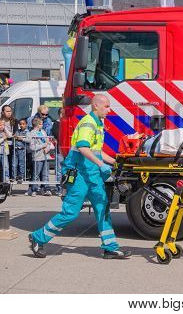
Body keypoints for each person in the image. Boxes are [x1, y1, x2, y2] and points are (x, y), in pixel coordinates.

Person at [28, 94, 131, 260]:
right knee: (70, 213)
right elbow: (83, 148)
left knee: (102, 208)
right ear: (96, 106)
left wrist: (114, 162)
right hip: (79, 174)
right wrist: (101, 165)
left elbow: (96, 150)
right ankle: (38, 237)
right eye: (106, 106)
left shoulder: (98, 123)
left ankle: (110, 247)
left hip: (92, 174)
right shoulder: (88, 123)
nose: (109, 109)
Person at [27, 118, 52, 197]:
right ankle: (34, 189)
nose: (42, 125)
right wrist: (43, 146)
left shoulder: (43, 132)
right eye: (41, 124)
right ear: (37, 125)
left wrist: (47, 148)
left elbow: (48, 142)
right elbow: (32, 147)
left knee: (45, 174)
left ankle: (46, 188)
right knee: (36, 174)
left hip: (45, 155)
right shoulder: (31, 133)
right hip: (37, 156)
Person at [1, 105, 18, 178]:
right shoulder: (1, 121)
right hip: (2, 143)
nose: (9, 113)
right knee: (3, 163)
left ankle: (10, 177)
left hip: (11, 143)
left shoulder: (14, 121)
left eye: (10, 111)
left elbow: (14, 133)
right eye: (7, 111)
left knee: (11, 161)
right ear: (2, 112)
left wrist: (12, 135)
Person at [51, 108, 64, 196]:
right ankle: (59, 188)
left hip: (69, 149)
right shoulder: (56, 123)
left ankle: (65, 188)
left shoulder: (69, 122)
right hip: (60, 149)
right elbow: (57, 134)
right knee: (59, 170)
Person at [13, 118, 29, 182]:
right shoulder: (17, 131)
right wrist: (15, 136)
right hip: (15, 149)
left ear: (26, 125)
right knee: (14, 164)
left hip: (22, 150)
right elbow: (15, 136)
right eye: (20, 124)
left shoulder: (27, 132)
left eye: (23, 124)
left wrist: (21, 138)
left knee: (21, 164)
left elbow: (28, 140)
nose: (21, 125)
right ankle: (14, 176)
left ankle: (21, 176)